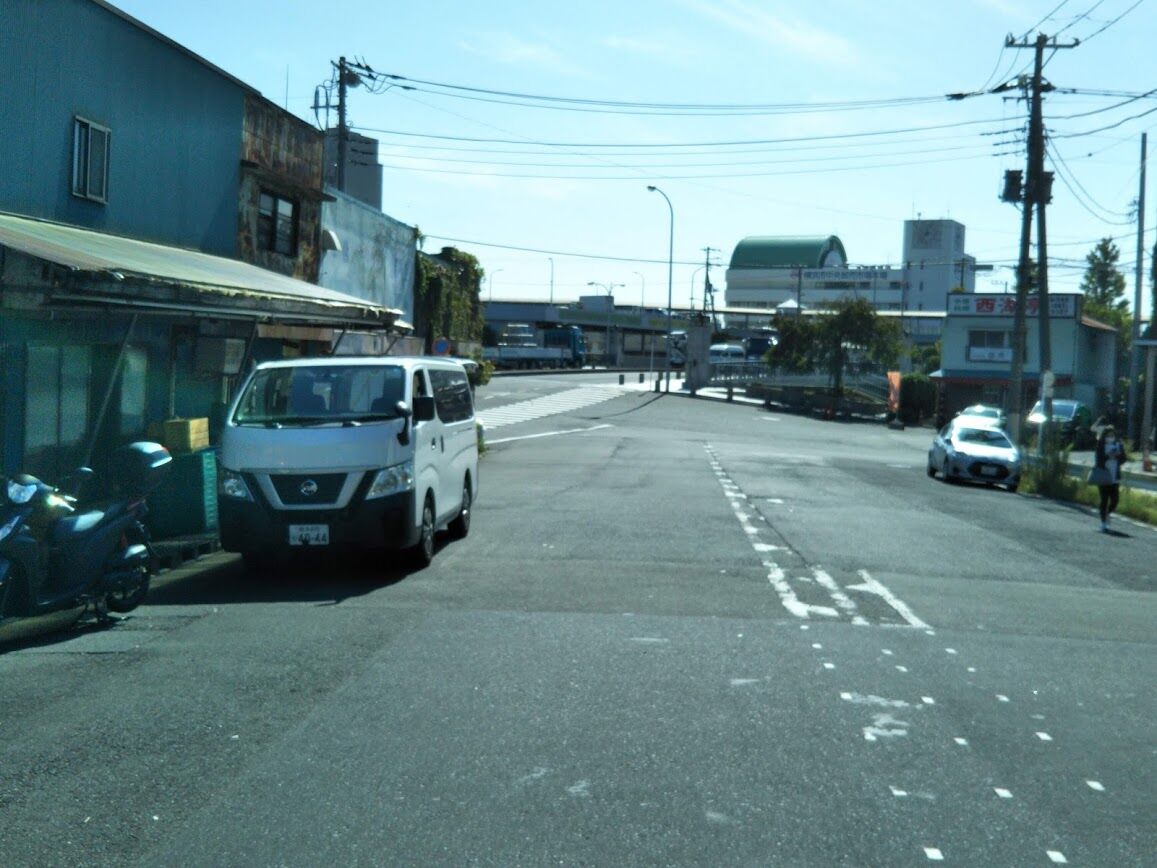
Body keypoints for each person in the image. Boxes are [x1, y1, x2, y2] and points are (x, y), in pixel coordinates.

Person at [1092, 425, 1128, 532]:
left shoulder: (1118, 445)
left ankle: (1108, 514)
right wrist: (1108, 456)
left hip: (1114, 477)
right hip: (1103, 476)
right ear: (1104, 436)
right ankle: (1103, 523)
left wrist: (1117, 456)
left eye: (1112, 435)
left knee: (1115, 500)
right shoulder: (1100, 446)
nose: (1110, 438)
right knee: (1104, 500)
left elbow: (1124, 459)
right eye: (1108, 436)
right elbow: (1099, 461)